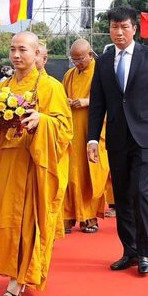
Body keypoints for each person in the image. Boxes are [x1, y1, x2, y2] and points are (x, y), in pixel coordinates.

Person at [0, 32, 72, 296]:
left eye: (22, 50)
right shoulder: (1, 89)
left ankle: (17, 280)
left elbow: (64, 129)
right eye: (12, 49)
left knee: (26, 222)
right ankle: (15, 271)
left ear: (37, 54)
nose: (16, 55)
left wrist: (43, 120)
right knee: (6, 218)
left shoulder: (50, 88)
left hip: (32, 165)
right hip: (4, 164)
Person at [87, 7, 148, 276]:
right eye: (114, 27)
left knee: (140, 193)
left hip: (145, 137)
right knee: (121, 196)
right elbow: (97, 104)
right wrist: (91, 138)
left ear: (134, 29)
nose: (119, 32)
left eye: (124, 27)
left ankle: (145, 253)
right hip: (116, 137)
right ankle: (129, 251)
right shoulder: (103, 61)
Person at [62, 39, 107, 233]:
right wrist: (67, 101)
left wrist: (87, 101)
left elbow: (111, 98)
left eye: (81, 59)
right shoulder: (69, 75)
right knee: (71, 174)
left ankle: (88, 216)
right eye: (74, 60)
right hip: (72, 130)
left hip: (93, 130)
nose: (77, 63)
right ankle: (68, 215)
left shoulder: (102, 71)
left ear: (90, 54)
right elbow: (60, 97)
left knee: (90, 174)